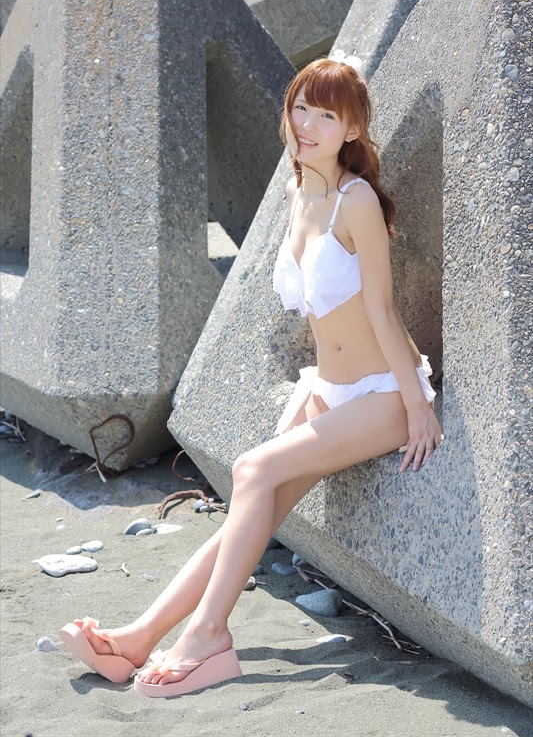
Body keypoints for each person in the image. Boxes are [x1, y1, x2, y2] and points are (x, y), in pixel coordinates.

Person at [59, 55, 443, 697]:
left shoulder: (357, 201)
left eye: (327, 115)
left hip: (384, 394)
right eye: (300, 107)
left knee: (251, 469)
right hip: (329, 389)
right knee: (251, 511)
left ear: (352, 130)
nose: (307, 124)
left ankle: (209, 636)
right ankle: (136, 638)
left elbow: (382, 310)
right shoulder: (299, 192)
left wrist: (418, 405)